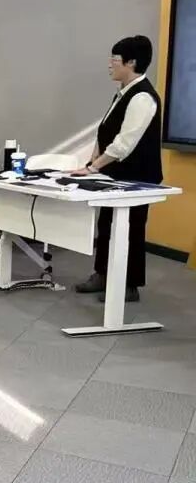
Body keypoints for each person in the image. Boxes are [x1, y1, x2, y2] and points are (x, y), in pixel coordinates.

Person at [73, 35, 162, 303]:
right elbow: (105, 134)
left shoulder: (143, 97)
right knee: (107, 225)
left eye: (114, 59)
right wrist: (91, 163)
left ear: (131, 62)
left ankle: (129, 285)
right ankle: (102, 274)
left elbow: (124, 143)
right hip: (115, 176)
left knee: (131, 229)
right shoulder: (123, 93)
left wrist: (94, 168)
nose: (109, 65)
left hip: (137, 178)